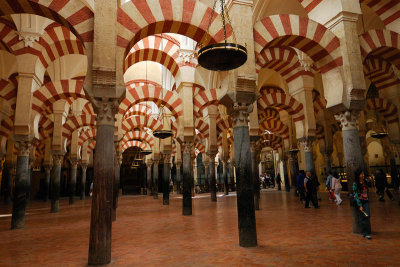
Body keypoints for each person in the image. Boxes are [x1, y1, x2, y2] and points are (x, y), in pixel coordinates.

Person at [353, 169, 372, 239]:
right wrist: (359, 205)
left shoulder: (365, 182)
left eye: (363, 174)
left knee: (367, 215)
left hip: (366, 201)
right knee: (362, 218)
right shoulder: (355, 183)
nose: (363, 175)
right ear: (358, 175)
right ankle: (365, 233)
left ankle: (367, 231)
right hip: (360, 202)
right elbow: (355, 194)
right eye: (361, 174)